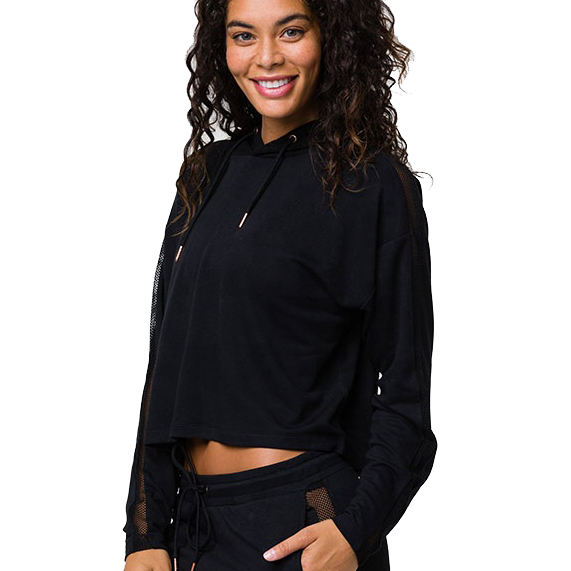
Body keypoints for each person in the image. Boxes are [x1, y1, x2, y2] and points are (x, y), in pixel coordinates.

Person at [123, 0, 437, 569]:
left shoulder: (373, 185)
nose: (266, 57)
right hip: (192, 529)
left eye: (291, 31)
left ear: (332, 37)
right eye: (244, 36)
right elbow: (165, 367)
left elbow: (406, 399)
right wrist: (145, 532)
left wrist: (355, 531)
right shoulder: (206, 173)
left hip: (302, 523)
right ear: (222, 48)